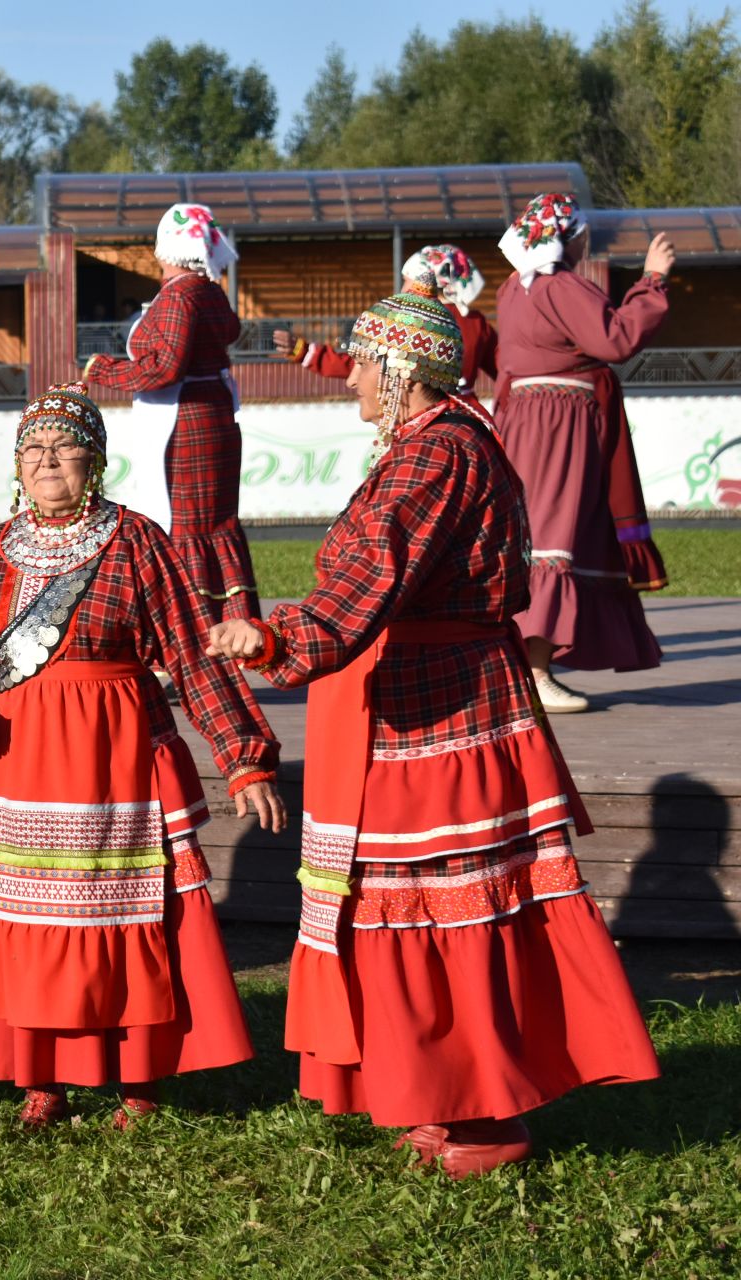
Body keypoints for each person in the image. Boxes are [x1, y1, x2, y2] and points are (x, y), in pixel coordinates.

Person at [205, 274, 659, 1179]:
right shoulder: (438, 440)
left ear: (400, 368)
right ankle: (438, 1092)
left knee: (447, 901)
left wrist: (276, 635)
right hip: (420, 694)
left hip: (433, 707)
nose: (351, 383)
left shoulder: (436, 455)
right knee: (408, 905)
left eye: (362, 366)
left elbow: (376, 570)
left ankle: (486, 1115)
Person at [0, 382, 285, 1129]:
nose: (47, 460)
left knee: (122, 917)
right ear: (17, 466)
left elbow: (194, 653)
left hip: (110, 761)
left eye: (64, 445)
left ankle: (139, 1078)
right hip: (13, 763)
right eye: (33, 448)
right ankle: (41, 1075)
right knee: (32, 923)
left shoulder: (138, 541)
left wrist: (243, 755)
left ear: (97, 459)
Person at [492, 193, 673, 712]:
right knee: (554, 536)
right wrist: (652, 281)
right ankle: (535, 671)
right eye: (581, 233)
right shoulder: (559, 285)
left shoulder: (514, 288)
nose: (585, 240)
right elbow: (615, 337)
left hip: (527, 418)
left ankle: (524, 666)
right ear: (567, 237)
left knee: (543, 531)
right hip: (558, 423)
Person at [81, 202, 258, 623]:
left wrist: (104, 370)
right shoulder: (210, 291)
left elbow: (165, 367)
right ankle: (229, 624)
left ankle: (190, 632)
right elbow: (227, 332)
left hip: (183, 425)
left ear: (165, 249)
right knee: (215, 524)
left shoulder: (179, 295)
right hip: (213, 417)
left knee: (181, 526)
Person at [273, 245, 499, 393]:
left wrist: (304, 351)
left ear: (425, 280)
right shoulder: (477, 323)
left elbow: (364, 364)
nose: (402, 287)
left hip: (421, 416)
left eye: (406, 279)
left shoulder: (411, 320)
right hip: (469, 420)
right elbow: (505, 369)